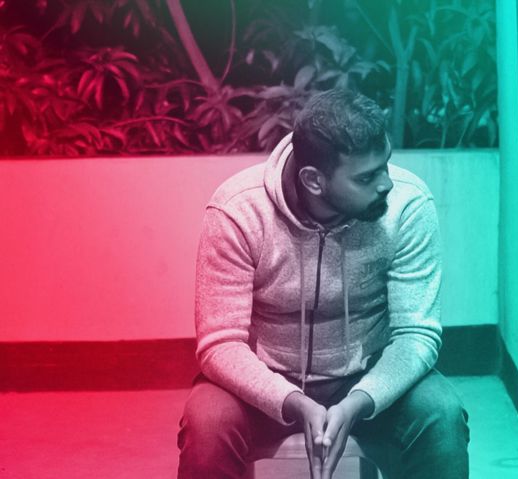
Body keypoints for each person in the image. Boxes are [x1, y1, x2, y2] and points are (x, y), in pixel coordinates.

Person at [177, 89, 470, 479]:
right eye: (366, 177)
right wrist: (292, 400)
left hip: (369, 375)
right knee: (208, 420)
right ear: (314, 181)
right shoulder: (238, 211)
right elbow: (220, 344)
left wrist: (360, 399)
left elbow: (416, 335)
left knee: (441, 414)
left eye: (385, 164)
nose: (386, 184)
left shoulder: (407, 206)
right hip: (266, 378)